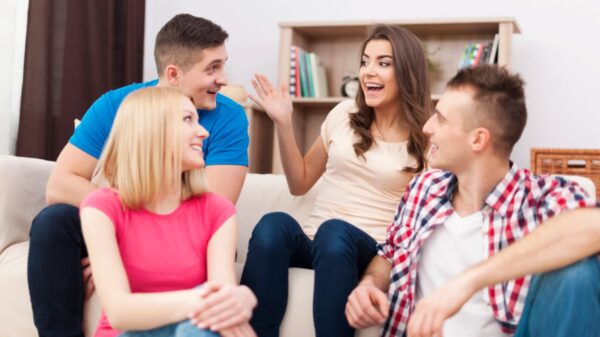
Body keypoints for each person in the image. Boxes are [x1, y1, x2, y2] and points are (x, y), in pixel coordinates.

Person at [27, 14, 249, 337]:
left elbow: (206, 208)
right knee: (52, 222)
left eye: (223, 65)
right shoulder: (117, 105)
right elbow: (60, 184)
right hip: (117, 219)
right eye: (212, 68)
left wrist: (126, 250)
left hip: (182, 229)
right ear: (173, 73)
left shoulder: (228, 118)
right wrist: (111, 232)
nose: (223, 79)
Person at [345, 65, 600, 337]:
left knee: (580, 273)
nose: (427, 127)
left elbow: (594, 225)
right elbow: (390, 252)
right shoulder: (424, 187)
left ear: (478, 139)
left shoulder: (539, 198)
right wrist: (369, 284)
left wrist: (468, 282)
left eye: (440, 119)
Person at [241, 25, 432, 337]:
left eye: (383, 63)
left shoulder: (426, 139)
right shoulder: (344, 114)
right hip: (318, 242)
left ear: (408, 72)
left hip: (370, 250)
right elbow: (300, 182)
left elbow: (423, 219)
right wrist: (284, 123)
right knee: (272, 224)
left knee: (335, 232)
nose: (369, 72)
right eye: (365, 61)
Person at [80, 87, 256, 337]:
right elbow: (120, 312)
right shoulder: (101, 208)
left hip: (194, 330)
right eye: (188, 119)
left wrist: (236, 301)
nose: (203, 132)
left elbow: (225, 316)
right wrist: (217, 298)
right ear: (152, 130)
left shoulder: (218, 210)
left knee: (201, 328)